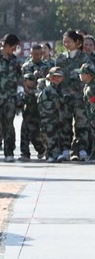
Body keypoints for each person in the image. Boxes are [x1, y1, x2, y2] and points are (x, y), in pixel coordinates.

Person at [54, 30, 93, 161]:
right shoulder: (61, 58)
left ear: (77, 42)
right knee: (64, 123)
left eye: (69, 41)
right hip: (64, 97)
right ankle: (65, 148)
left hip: (80, 97)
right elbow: (55, 77)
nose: (66, 44)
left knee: (81, 123)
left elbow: (90, 75)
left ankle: (80, 149)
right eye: (64, 42)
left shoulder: (84, 58)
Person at [0, 34, 23, 163]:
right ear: (6, 45)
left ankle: (9, 152)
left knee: (9, 126)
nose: (15, 49)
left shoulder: (15, 60)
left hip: (10, 98)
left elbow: (20, 77)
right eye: (13, 46)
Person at [38, 67, 67, 162]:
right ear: (50, 78)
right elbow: (42, 103)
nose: (56, 79)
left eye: (59, 77)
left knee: (58, 136)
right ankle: (50, 155)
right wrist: (54, 104)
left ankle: (57, 154)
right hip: (48, 117)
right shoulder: (47, 89)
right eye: (54, 77)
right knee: (49, 137)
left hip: (59, 117)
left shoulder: (62, 89)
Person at [18, 73, 46, 162]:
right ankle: (25, 154)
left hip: (35, 117)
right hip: (26, 117)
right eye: (27, 80)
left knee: (33, 136)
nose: (30, 82)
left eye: (32, 80)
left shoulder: (37, 90)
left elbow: (37, 96)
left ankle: (41, 149)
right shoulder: (21, 91)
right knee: (24, 135)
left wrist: (29, 92)